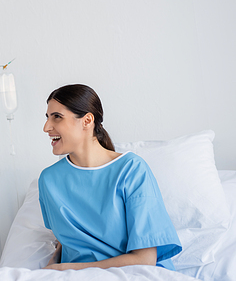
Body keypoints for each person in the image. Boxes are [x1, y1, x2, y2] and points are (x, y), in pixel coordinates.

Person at [38, 84, 182, 271]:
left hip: (136, 274)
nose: (46, 127)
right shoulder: (49, 180)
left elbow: (145, 260)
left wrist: (67, 270)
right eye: (47, 118)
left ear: (87, 121)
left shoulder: (131, 170)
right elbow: (64, 241)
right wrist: (49, 270)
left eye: (57, 117)